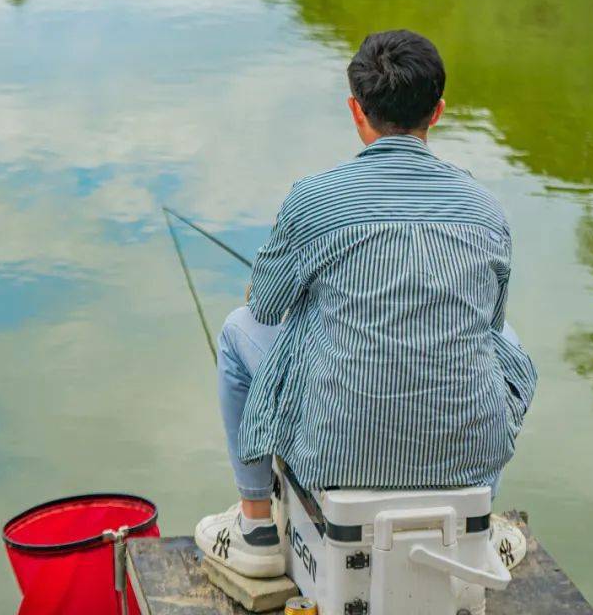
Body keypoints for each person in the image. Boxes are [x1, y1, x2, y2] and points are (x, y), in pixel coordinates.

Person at [194, 30, 538, 578]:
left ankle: (257, 525)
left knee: (238, 331)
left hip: (335, 452)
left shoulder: (314, 198)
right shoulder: (485, 208)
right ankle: (480, 519)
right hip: (466, 452)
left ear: (357, 110)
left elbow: (263, 307)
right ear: (439, 112)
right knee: (507, 342)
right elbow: (490, 325)